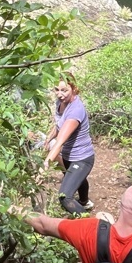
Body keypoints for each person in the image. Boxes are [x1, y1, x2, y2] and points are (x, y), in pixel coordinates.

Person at [43, 74, 95, 215]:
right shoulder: (60, 103)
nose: (60, 94)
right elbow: (59, 124)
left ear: (73, 88)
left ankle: (87, 223)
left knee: (65, 197)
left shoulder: (75, 110)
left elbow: (60, 141)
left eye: (64, 90)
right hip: (69, 155)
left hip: (82, 158)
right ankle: (85, 202)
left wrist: (45, 165)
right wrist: (49, 137)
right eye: (56, 90)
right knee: (77, 178)